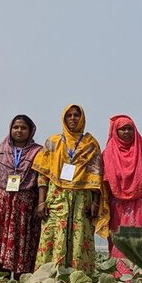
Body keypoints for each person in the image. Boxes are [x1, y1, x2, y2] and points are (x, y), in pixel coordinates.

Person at [33, 104, 110, 271]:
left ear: (82, 118)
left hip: (82, 200)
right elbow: (43, 174)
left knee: (79, 239)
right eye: (69, 115)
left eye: (76, 115)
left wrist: (96, 204)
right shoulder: (52, 142)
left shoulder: (90, 144)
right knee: (52, 237)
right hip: (56, 198)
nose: (73, 118)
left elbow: (96, 176)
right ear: (64, 118)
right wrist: (41, 201)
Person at [0, 114, 43, 275]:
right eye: (16, 127)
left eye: (23, 128)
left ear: (30, 131)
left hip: (25, 210)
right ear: (10, 129)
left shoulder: (38, 153)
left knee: (24, 245)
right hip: (2, 208)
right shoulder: (0, 151)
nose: (19, 130)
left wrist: (41, 203)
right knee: (0, 246)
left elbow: (43, 180)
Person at [102, 115, 142, 278]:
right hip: (118, 206)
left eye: (130, 128)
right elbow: (103, 182)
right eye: (123, 129)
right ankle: (120, 281)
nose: (127, 132)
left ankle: (140, 281)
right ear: (115, 131)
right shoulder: (108, 154)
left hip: (141, 204)